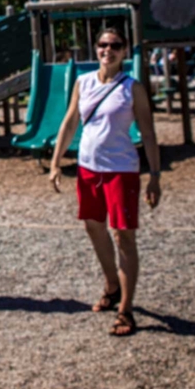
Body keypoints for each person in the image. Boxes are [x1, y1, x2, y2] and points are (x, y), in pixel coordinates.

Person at [48, 26, 162, 337]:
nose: (107, 50)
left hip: (121, 170)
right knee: (92, 225)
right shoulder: (83, 82)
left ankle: (126, 309)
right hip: (88, 168)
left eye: (115, 45)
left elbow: (148, 133)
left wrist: (154, 175)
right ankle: (112, 285)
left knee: (123, 236)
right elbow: (70, 121)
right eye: (102, 44)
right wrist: (56, 162)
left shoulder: (132, 88)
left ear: (125, 51)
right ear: (95, 48)